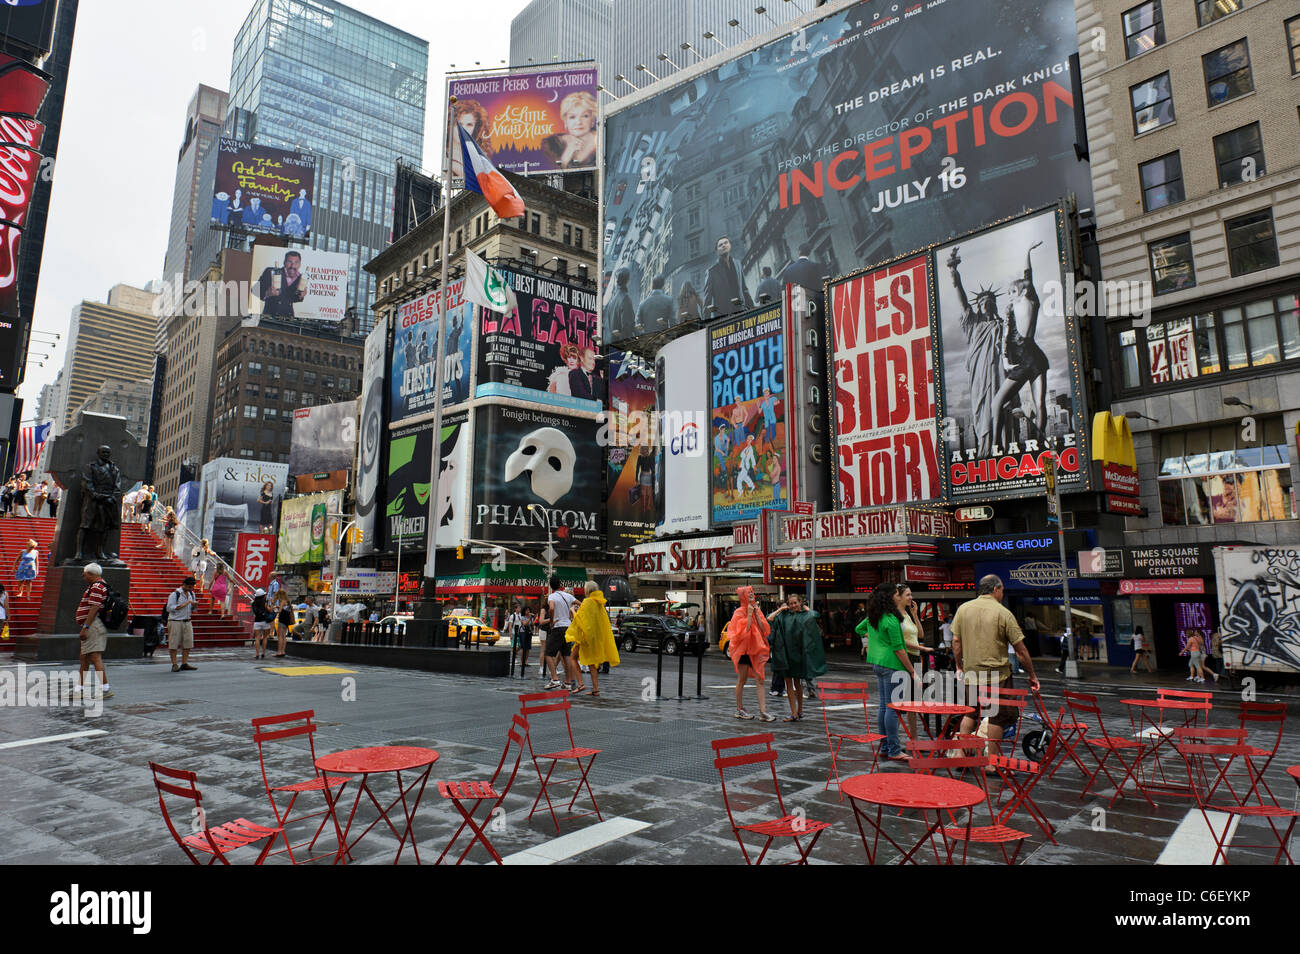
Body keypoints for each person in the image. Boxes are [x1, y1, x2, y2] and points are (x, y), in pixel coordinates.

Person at [951, 574, 1040, 758]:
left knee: (970, 712)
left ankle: (960, 755)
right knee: (996, 717)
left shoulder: (963, 609)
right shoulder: (1003, 613)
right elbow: (1021, 650)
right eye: (1002, 591)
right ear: (995, 589)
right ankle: (992, 760)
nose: (1002, 594)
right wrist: (1032, 675)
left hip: (972, 673)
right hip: (997, 675)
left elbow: (956, 642)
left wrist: (959, 666)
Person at [858, 582, 915, 761]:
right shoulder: (891, 618)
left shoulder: (875, 615)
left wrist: (877, 640)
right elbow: (899, 649)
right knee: (893, 709)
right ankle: (894, 750)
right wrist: (912, 671)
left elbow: (859, 629)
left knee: (884, 706)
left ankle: (885, 747)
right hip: (892, 665)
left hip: (877, 663)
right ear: (891, 597)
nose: (899, 596)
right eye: (897, 594)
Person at [767, 592, 826, 722]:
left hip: (799, 655)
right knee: (789, 683)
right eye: (791, 603)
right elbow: (769, 619)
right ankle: (794, 712)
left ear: (800, 603)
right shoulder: (783, 615)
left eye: (795, 603)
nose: (793, 605)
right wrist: (781, 609)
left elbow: (815, 615)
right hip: (786, 654)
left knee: (798, 684)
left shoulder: (805, 616)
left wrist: (807, 609)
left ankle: (799, 711)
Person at [728, 586, 776, 722]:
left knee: (760, 679)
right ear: (742, 595)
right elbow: (742, 633)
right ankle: (740, 709)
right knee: (742, 680)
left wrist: (755, 613)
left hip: (756, 650)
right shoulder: (738, 612)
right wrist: (749, 615)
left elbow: (765, 629)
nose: (751, 594)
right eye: (748, 592)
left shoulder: (757, 609)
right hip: (744, 651)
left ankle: (763, 711)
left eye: (752, 592)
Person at [565, 581, 620, 696]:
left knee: (573, 658)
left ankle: (581, 684)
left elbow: (580, 620)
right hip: (595, 637)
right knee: (591, 663)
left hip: (585, 636)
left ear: (587, 590)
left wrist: (572, 611)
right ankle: (596, 690)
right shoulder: (599, 603)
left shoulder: (587, 602)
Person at [75, 564, 113, 699]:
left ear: (91, 574)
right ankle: (79, 689)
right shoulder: (100, 585)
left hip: (92, 626)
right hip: (93, 625)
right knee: (84, 657)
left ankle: (105, 689)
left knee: (94, 657)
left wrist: (85, 627)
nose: (83, 576)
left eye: (84, 574)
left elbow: (94, 608)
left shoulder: (97, 586)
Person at [542, 574, 581, 692]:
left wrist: (552, 621)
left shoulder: (552, 596)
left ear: (551, 586)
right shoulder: (568, 596)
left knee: (548, 653)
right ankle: (568, 682)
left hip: (558, 627)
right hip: (568, 628)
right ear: (560, 584)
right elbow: (581, 604)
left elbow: (552, 608)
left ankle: (555, 679)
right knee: (567, 655)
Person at [541, 90, 598, 169]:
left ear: (592, 120)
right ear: (565, 121)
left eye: (585, 116)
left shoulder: (602, 140)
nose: (578, 122)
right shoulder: (552, 143)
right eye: (572, 117)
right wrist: (568, 152)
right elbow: (553, 173)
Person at [899, 585, 925, 740]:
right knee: (905, 702)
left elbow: (920, 634)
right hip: (906, 658)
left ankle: (914, 739)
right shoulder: (896, 616)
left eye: (911, 594)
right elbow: (900, 642)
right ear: (899, 596)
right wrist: (925, 649)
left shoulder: (907, 614)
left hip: (916, 658)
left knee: (913, 703)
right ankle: (896, 739)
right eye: (907, 595)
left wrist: (915, 615)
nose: (911, 598)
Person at [703, 236, 752, 319]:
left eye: (726, 243)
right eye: (720, 245)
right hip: (723, 316)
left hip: (742, 312)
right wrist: (705, 323)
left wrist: (753, 310)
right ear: (717, 251)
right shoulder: (711, 271)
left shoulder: (738, 264)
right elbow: (707, 300)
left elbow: (744, 289)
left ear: (730, 246)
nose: (724, 245)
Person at [257, 251, 307, 318]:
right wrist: (267, 293)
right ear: (284, 262)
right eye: (289, 262)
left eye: (296, 262)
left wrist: (301, 295)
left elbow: (292, 298)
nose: (292, 266)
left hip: (289, 317)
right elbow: (254, 290)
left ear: (300, 264)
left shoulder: (301, 278)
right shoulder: (270, 271)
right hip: (270, 316)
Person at [166, 576, 198, 673]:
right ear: (184, 585)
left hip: (187, 620)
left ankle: (184, 663)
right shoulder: (175, 594)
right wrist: (186, 603)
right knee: (174, 643)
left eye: (192, 587)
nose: (191, 589)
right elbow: (169, 608)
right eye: (189, 587)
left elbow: (193, 610)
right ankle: (174, 664)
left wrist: (194, 606)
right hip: (175, 621)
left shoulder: (192, 594)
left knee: (188, 643)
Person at [606, 267, 636, 341]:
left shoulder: (613, 299)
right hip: (622, 344)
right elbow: (627, 326)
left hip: (612, 341)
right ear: (628, 280)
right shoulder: (625, 298)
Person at [251, 588, 272, 659]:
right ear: (263, 595)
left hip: (257, 622)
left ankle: (257, 654)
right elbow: (270, 610)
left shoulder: (253, 603)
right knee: (265, 637)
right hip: (265, 621)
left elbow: (255, 612)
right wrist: (272, 604)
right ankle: (263, 653)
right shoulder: (265, 602)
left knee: (257, 638)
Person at [274, 591, 294, 658]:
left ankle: (279, 652)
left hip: (282, 620)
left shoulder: (282, 601)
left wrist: (275, 610)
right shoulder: (288, 602)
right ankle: (283, 651)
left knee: (280, 636)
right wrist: (279, 607)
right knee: (284, 636)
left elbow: (279, 611)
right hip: (286, 620)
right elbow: (285, 609)